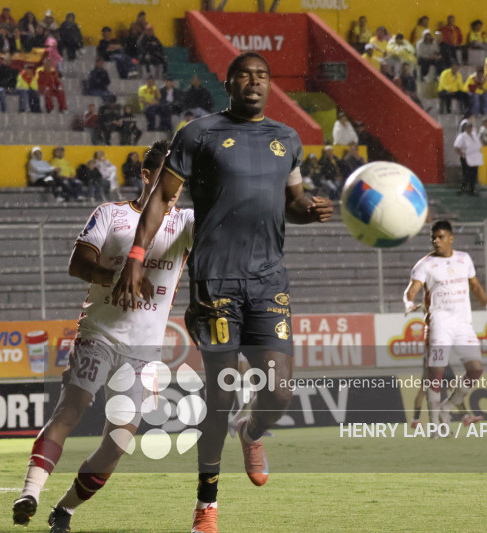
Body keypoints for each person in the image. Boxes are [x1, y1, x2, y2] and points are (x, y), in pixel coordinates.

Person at [112, 52, 334, 533]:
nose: (254, 83)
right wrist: (135, 256)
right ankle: (206, 505)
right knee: (219, 394)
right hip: (216, 283)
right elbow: (158, 202)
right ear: (228, 83)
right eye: (245, 76)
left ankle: (251, 431)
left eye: (262, 76)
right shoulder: (198, 134)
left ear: (270, 85)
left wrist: (308, 209)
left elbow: (291, 202)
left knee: (278, 391)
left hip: (269, 281)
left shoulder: (287, 139)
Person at [11, 141, 194, 531]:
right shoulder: (111, 215)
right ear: (147, 176)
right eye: (168, 175)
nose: (175, 185)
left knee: (119, 443)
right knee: (71, 410)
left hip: (143, 352)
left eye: (180, 177)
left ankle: (65, 509)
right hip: (99, 334)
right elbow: (78, 264)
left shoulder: (186, 223)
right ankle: (30, 491)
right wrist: (118, 277)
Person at [403, 220, 487, 438]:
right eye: (433, 237)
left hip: (462, 324)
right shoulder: (424, 264)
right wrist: (408, 303)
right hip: (439, 325)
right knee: (435, 376)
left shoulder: (464, 259)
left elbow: (475, 286)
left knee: (476, 370)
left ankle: (447, 408)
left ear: (451, 238)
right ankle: (435, 428)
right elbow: (411, 291)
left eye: (440, 237)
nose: (436, 241)